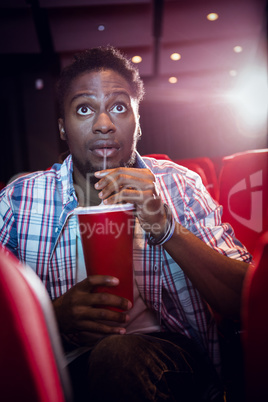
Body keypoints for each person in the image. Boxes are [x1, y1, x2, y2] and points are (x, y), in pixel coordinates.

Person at [0, 46, 251, 401]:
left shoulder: (179, 184)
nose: (104, 124)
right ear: (62, 127)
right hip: (63, 368)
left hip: (171, 360)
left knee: (116, 354)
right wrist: (50, 318)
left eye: (119, 107)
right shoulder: (18, 200)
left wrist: (166, 227)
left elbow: (245, 300)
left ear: (138, 121)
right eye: (84, 109)